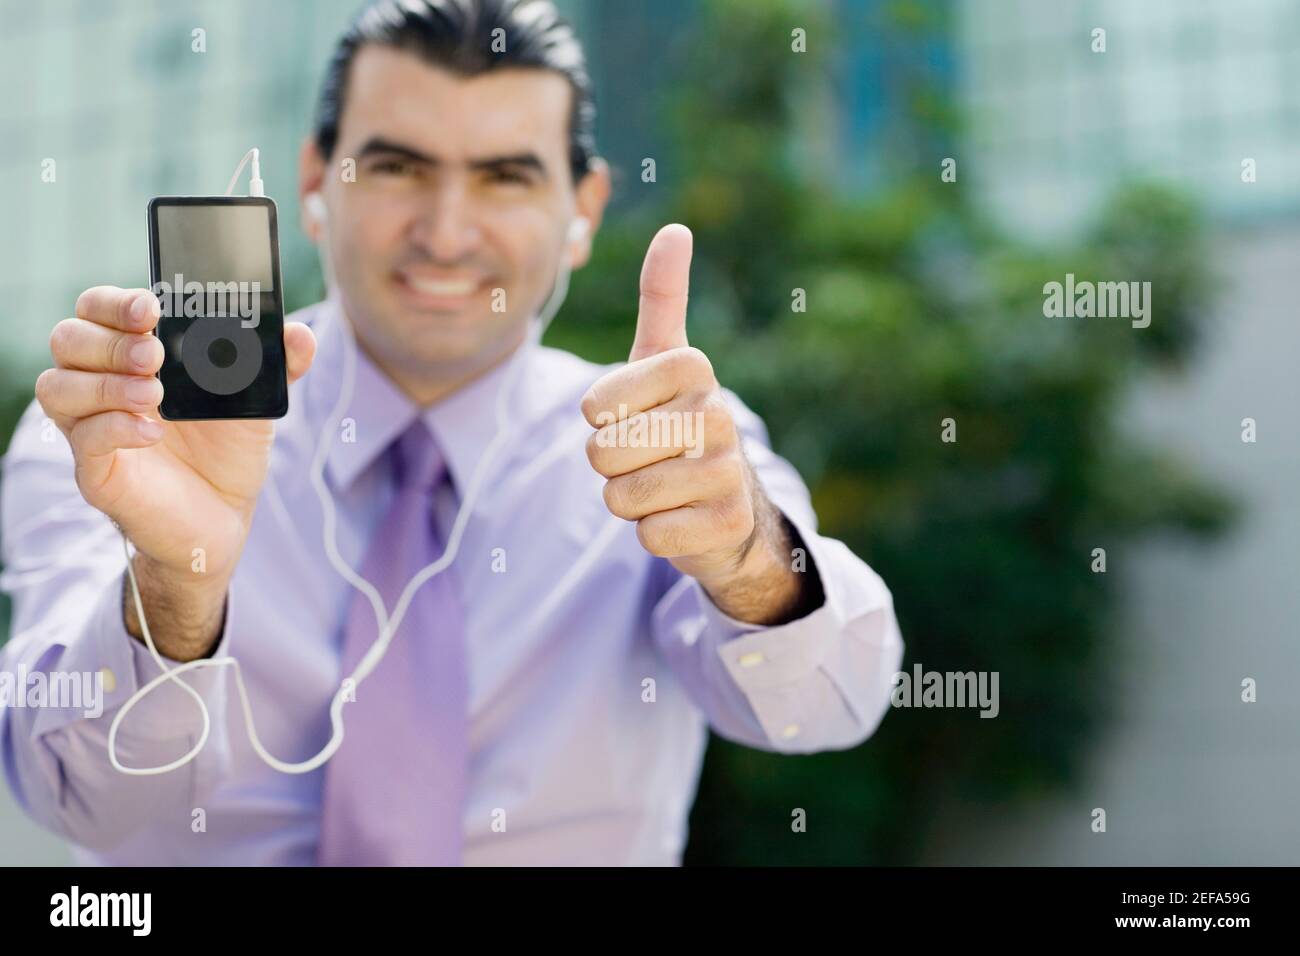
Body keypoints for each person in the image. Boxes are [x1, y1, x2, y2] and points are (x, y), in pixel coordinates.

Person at [0, 0, 903, 866]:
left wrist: (747, 561)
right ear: (317, 182)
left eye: (505, 177)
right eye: (396, 168)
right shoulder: (124, 435)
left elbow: (829, 706)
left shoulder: (673, 445)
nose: (445, 232)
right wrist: (171, 588)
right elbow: (72, 796)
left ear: (583, 209)